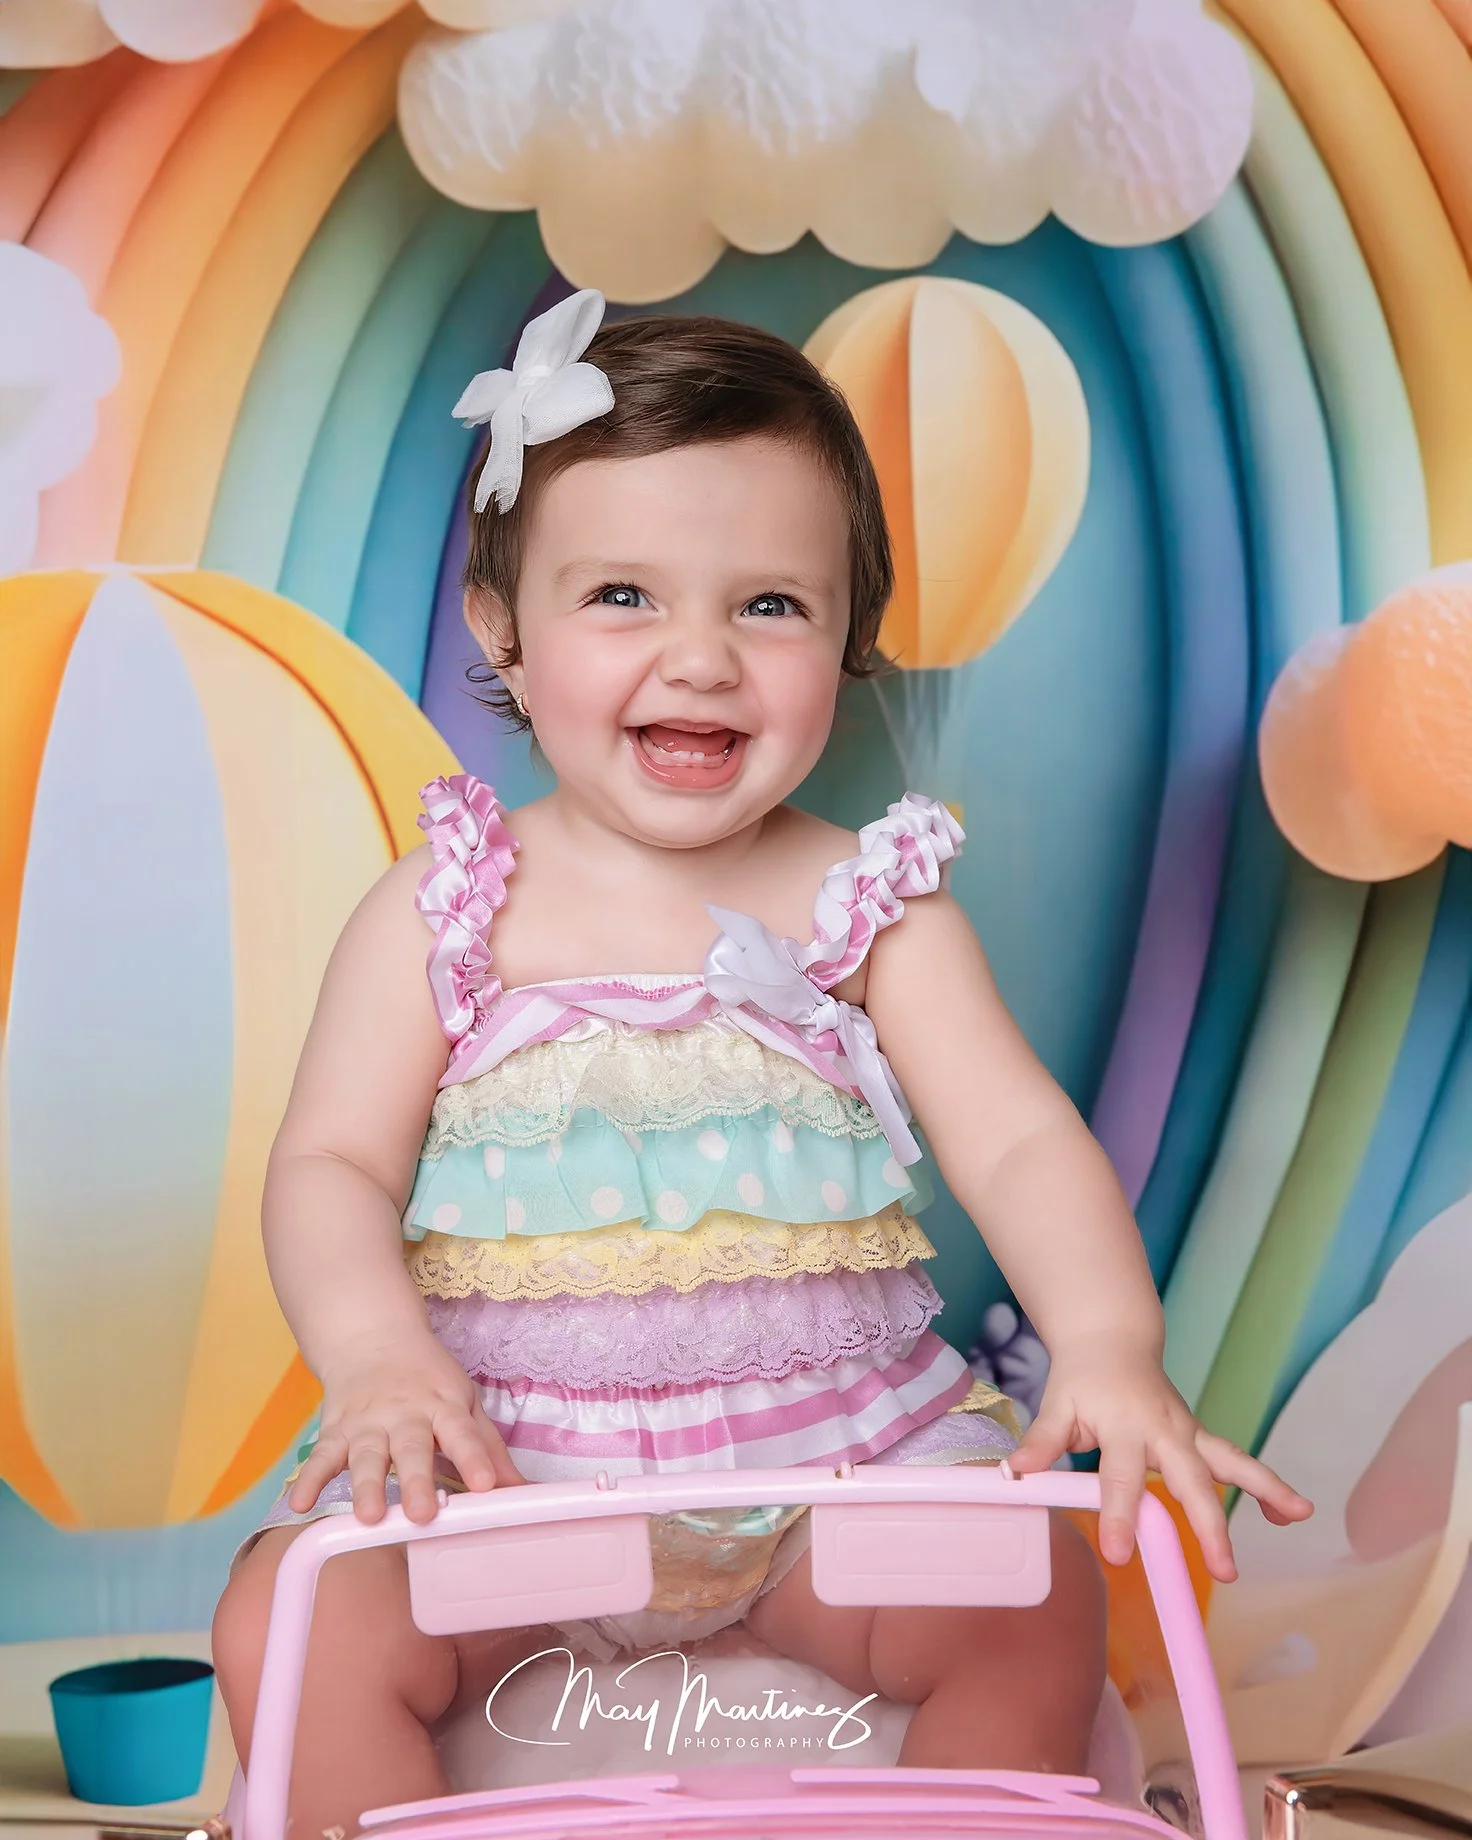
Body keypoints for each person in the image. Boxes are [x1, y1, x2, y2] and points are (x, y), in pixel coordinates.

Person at [212, 290, 1311, 1837]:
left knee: (1035, 1595)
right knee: (290, 1624)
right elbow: (330, 1164)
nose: (704, 659)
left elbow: (1015, 1139)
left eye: (770, 607)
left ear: (849, 637)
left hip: (835, 1485)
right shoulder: (449, 903)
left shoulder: (865, 901)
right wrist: (380, 1358)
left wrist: (1110, 1346)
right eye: (625, 597)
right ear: (501, 629)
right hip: (517, 1484)